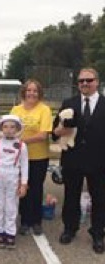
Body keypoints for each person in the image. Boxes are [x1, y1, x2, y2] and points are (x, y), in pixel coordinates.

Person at [52, 68, 105, 254]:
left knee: (99, 199)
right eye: (81, 81)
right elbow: (55, 132)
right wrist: (60, 130)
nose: (84, 83)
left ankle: (98, 234)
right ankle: (69, 229)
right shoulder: (69, 103)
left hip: (99, 161)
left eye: (88, 80)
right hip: (73, 159)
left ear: (97, 82)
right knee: (71, 196)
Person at [11, 79, 52, 236]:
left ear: (39, 93)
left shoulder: (44, 110)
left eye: (35, 90)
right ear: (24, 92)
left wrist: (21, 141)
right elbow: (9, 129)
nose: (31, 93)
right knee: (22, 188)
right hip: (19, 157)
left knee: (35, 189)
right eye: (29, 90)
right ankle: (24, 220)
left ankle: (36, 221)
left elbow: (42, 135)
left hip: (38, 157)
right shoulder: (16, 110)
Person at [0, 115, 28, 249]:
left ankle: (10, 232)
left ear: (18, 128)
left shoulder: (22, 145)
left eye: (12, 127)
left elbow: (25, 165)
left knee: (11, 205)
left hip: (13, 175)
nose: (9, 130)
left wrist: (24, 184)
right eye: (5, 127)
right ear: (0, 128)